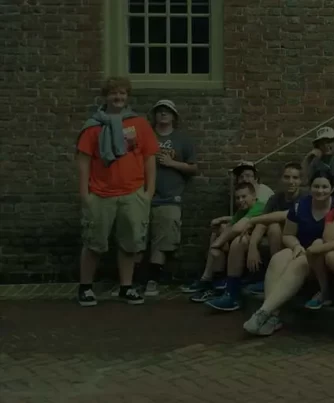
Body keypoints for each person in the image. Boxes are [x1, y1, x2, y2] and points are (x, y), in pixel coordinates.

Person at [76, 76, 159, 307]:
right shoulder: (93, 126)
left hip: (133, 193)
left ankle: (126, 287)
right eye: (113, 93)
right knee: (94, 243)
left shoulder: (139, 124)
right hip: (100, 194)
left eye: (122, 93)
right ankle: (85, 288)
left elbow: (149, 158)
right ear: (105, 96)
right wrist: (85, 194)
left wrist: (148, 191)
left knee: (130, 244)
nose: (118, 97)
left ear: (127, 96)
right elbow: (83, 161)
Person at [241, 173, 334, 328]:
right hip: (301, 249)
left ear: (332, 189)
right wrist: (296, 246)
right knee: (278, 258)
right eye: (316, 186)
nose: (320, 191)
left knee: (299, 263)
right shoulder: (301, 205)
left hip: (320, 259)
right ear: (310, 188)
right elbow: (288, 234)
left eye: (324, 187)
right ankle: (273, 317)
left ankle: (263, 312)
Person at [139, 99, 198, 296]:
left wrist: (171, 163)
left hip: (171, 197)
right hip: (141, 195)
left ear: (174, 116)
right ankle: (131, 281)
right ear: (154, 115)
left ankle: (153, 280)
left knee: (163, 239)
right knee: (135, 237)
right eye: (159, 111)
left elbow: (193, 168)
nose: (163, 114)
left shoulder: (183, 140)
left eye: (167, 111)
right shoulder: (144, 137)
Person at [234, 163, 307, 296]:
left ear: (301, 180)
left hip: (299, 238)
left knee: (273, 225)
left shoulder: (305, 197)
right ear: (281, 179)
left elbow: (286, 214)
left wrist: (253, 220)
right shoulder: (275, 198)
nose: (291, 181)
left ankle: (276, 277)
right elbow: (263, 221)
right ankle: (268, 276)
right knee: (270, 226)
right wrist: (252, 246)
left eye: (295, 178)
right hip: (281, 238)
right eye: (287, 177)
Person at [185, 182, 265, 302]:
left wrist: (216, 244)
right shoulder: (241, 211)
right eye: (237, 197)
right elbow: (230, 225)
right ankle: (217, 283)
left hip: (260, 242)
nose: (240, 200)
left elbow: (238, 227)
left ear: (253, 196)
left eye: (244, 196)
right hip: (247, 240)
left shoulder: (259, 206)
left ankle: (220, 285)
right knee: (220, 231)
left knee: (232, 241)